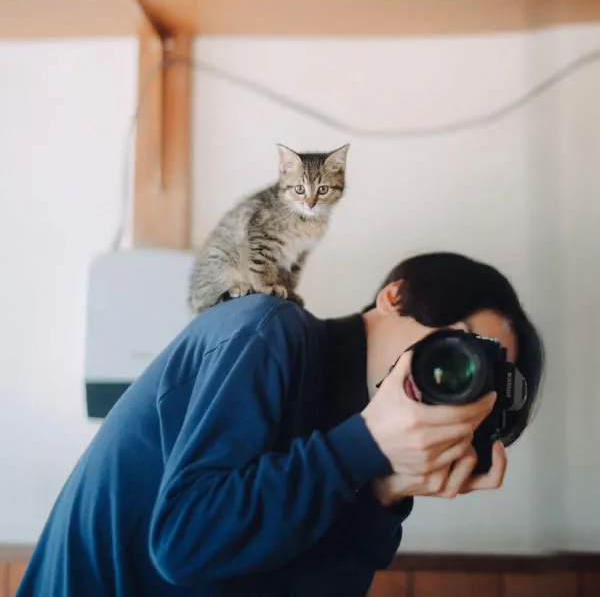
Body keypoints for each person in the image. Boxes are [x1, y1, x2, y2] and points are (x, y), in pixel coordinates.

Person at [17, 252, 544, 597]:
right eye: (461, 346)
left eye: (481, 381)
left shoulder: (354, 449)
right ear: (394, 296)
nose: (457, 379)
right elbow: (184, 544)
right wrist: (362, 447)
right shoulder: (267, 329)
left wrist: (381, 496)